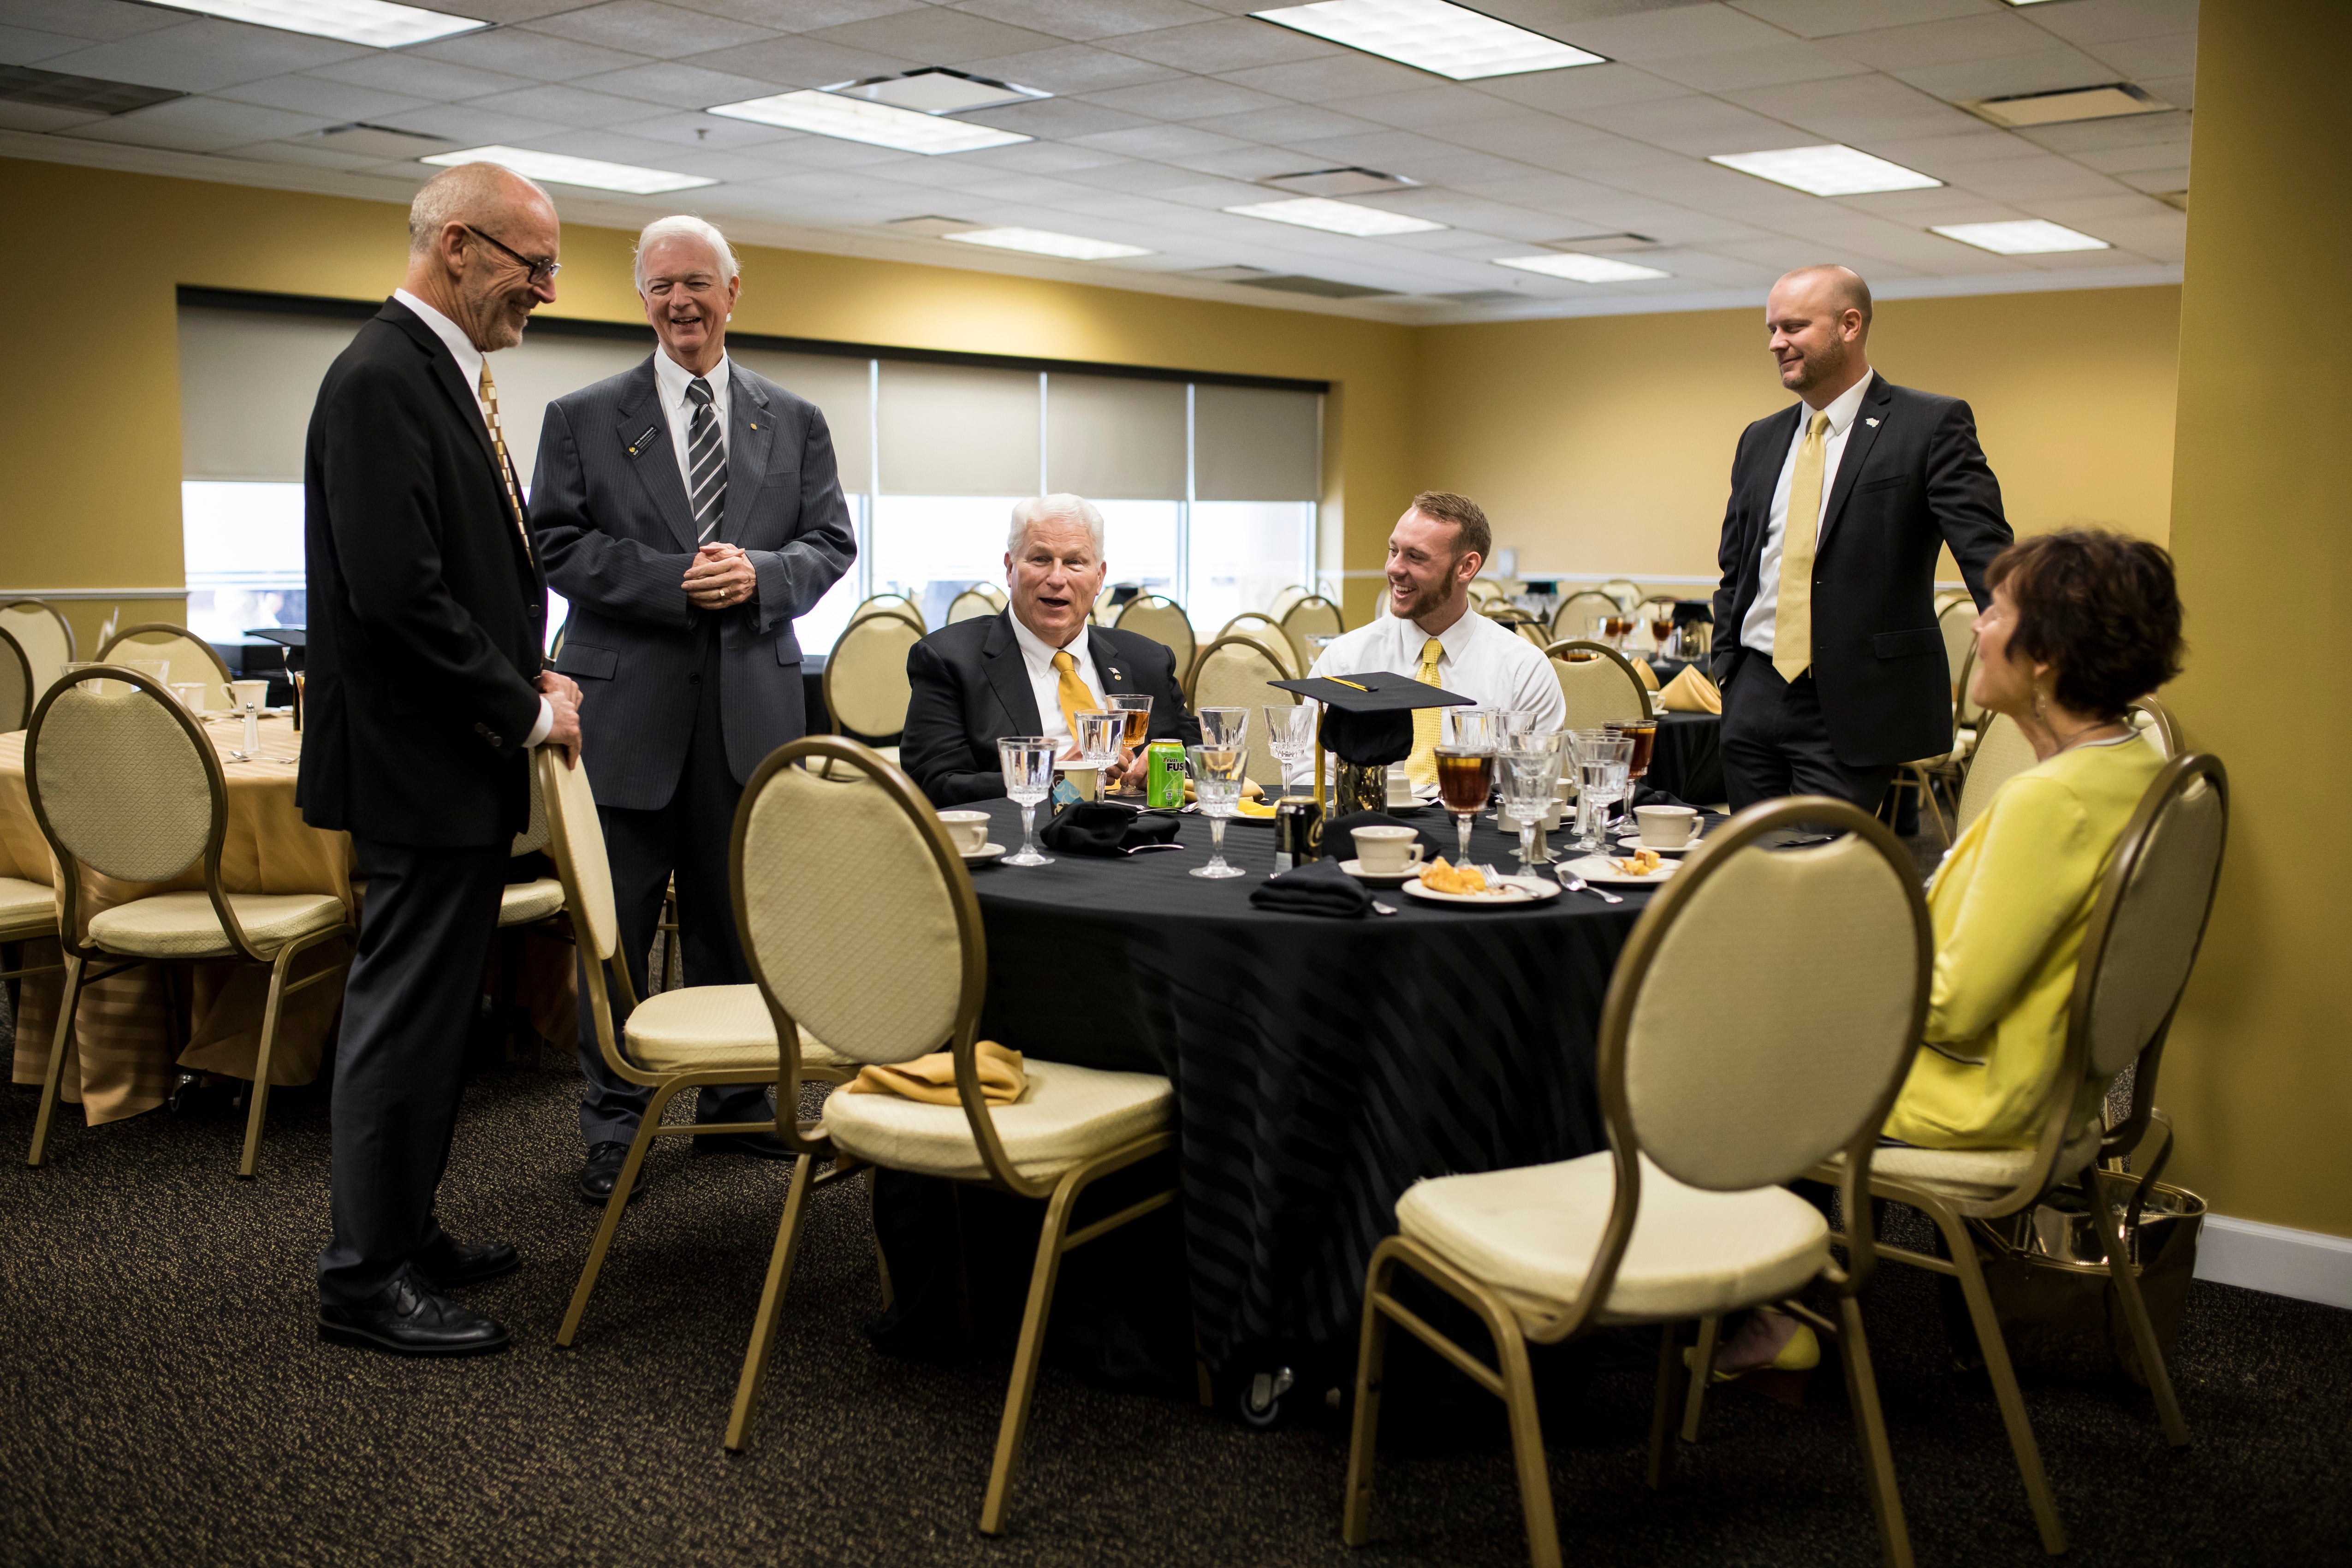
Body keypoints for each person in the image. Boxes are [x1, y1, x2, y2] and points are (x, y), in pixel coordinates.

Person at [1709, 529, 2183, 1381]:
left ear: (2046, 655)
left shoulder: (2050, 801)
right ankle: (1784, 1285)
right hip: (2060, 1090)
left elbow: (1953, 1004)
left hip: (1983, 1100)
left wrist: (1827, 965)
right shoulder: (2140, 768)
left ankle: (1752, 1313)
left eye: (1995, 611)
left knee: (1708, 1056)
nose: (1976, 628)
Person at [300, 162, 582, 1356]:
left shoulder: (438, 376)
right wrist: (521, 712)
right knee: (401, 1021)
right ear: (458, 245)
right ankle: (365, 1278)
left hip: (450, 758)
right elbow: (399, 598)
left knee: (433, 1022)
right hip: (416, 765)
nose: (547, 293)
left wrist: (527, 675)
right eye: (535, 268)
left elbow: (461, 573)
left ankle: (405, 1231)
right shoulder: (379, 378)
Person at [532, 216, 856, 1202]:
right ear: (642, 298)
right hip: (622, 717)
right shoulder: (583, 414)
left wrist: (758, 573)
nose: (682, 301)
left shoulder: (792, 418)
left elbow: (832, 544)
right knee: (617, 935)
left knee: (734, 928)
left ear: (734, 290)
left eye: (698, 283)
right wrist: (680, 579)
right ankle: (615, 1127)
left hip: (750, 718)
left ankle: (735, 1107)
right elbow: (554, 544)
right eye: (663, 284)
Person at [1710, 265, 2012, 811]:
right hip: (1753, 691)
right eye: (1772, 329)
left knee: (1820, 874)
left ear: (1850, 325)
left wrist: (2036, 649)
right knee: (1747, 871)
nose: (1777, 343)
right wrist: (1728, 668)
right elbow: (1738, 567)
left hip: (1855, 702)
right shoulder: (1760, 438)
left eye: (1795, 327)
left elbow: (1987, 555)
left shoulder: (1930, 425)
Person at [900, 495, 1198, 808]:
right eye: (1040, 559)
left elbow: (1200, 754)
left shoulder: (1147, 660)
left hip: (1146, 838)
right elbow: (932, 784)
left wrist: (1172, 765)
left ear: (1099, 578)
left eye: (1075, 562)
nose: (1057, 579)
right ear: (1010, 568)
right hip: (1026, 842)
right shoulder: (949, 660)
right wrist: (1051, 774)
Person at [1300, 491, 1563, 790]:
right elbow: (1308, 773)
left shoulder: (1523, 669)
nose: (1394, 568)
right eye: (1393, 550)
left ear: (1466, 568)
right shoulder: (1347, 660)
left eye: (1415, 557)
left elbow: (1532, 788)